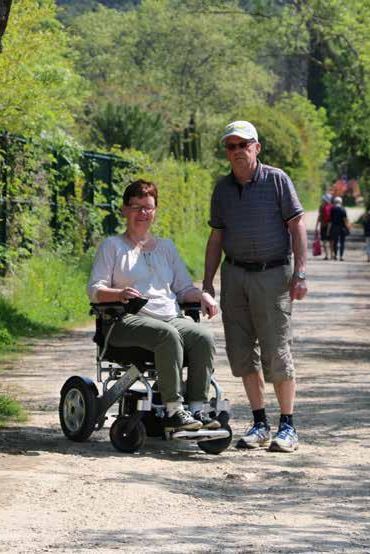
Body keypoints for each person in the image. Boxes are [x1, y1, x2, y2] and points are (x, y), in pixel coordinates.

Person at [203, 120, 307, 453]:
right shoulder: (222, 189)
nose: (236, 152)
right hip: (234, 276)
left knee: (276, 350)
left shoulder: (277, 180)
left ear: (256, 148)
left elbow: (297, 225)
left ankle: (287, 427)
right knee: (242, 352)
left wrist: (300, 273)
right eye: (230, 147)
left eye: (242, 145)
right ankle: (260, 423)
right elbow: (216, 237)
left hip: (273, 274)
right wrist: (207, 282)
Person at [88, 179, 220, 432]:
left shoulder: (166, 247)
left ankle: (196, 409)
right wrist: (118, 293)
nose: (143, 213)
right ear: (125, 210)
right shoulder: (112, 246)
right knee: (167, 335)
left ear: (155, 211)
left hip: (169, 317)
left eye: (148, 207)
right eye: (137, 207)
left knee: (203, 336)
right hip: (124, 320)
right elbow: (95, 290)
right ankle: (173, 410)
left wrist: (203, 296)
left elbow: (183, 289)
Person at [327, 196, 350, 261]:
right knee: (342, 242)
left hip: (334, 227)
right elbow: (345, 220)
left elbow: (330, 221)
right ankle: (341, 256)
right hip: (342, 228)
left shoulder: (332, 209)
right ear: (341, 202)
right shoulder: (343, 209)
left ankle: (335, 255)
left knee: (335, 242)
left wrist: (328, 230)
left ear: (334, 202)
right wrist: (348, 227)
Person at [314, 193, 332, 260]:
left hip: (325, 225)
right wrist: (316, 226)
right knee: (327, 241)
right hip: (327, 226)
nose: (322, 200)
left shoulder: (324, 207)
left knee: (326, 241)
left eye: (323, 199)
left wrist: (316, 226)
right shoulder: (330, 206)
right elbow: (319, 216)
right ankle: (330, 255)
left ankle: (328, 255)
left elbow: (319, 217)